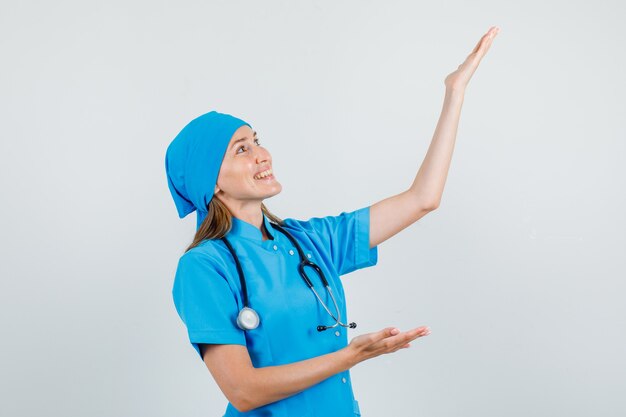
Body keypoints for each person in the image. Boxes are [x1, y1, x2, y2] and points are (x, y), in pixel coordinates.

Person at [165, 26, 499, 417]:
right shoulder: (204, 268)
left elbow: (422, 199)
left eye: (257, 140)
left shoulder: (309, 241)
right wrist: (352, 355)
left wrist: (454, 93)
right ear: (212, 183)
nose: (262, 154)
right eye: (242, 149)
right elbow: (243, 391)